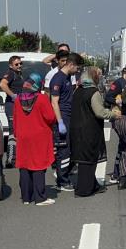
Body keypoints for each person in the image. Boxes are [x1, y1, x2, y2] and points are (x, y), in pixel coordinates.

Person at [70, 66, 120, 197]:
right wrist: (113, 114)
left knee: (83, 159)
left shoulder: (78, 90)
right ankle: (85, 189)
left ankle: (92, 185)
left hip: (76, 128)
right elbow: (99, 112)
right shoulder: (93, 92)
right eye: (98, 75)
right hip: (89, 129)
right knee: (89, 159)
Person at [13, 73, 58, 206]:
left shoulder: (17, 99)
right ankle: (40, 197)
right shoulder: (41, 98)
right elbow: (50, 117)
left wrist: (16, 134)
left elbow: (15, 119)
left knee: (24, 165)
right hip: (39, 136)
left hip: (23, 136)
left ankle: (26, 197)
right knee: (38, 165)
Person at [49, 52, 82, 192]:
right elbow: (54, 102)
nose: (78, 71)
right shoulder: (58, 79)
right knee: (63, 151)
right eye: (77, 68)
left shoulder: (68, 77)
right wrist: (60, 122)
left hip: (69, 116)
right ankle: (62, 181)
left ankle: (65, 176)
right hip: (61, 117)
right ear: (71, 64)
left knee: (69, 150)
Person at [0, 56, 25, 167]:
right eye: (16, 64)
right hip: (12, 105)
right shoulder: (10, 73)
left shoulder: (18, 74)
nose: (19, 66)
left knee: (18, 132)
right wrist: (13, 96)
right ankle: (10, 159)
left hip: (18, 105)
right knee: (13, 132)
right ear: (11, 65)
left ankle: (18, 157)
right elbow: (2, 84)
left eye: (20, 63)